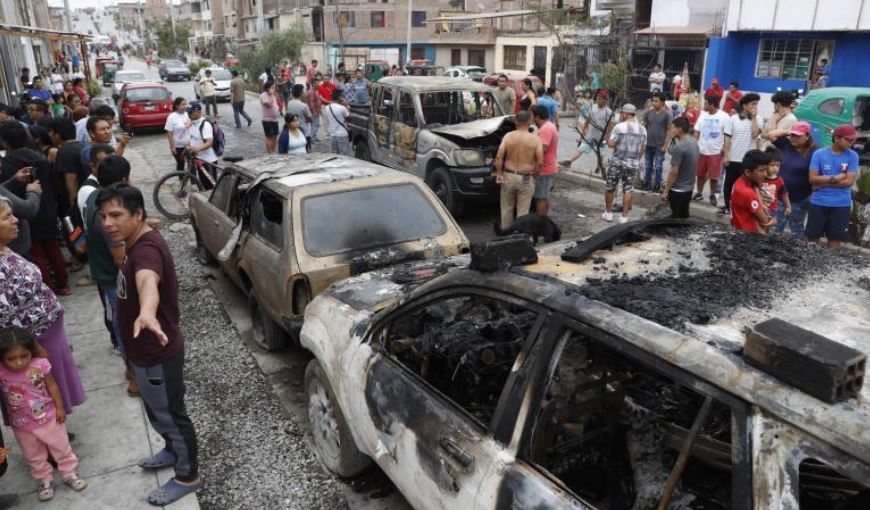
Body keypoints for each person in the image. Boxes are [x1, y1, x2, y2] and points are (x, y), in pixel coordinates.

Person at [96, 184, 201, 505]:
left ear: (137, 214)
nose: (107, 223)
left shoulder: (145, 250)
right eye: (103, 216)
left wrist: (146, 311)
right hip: (141, 352)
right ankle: (171, 450)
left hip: (157, 352)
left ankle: (187, 476)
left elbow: (147, 279)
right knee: (157, 410)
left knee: (171, 414)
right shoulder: (137, 238)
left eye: (116, 215)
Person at [0, 197, 87, 421]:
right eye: (7, 216)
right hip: (35, 341)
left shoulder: (5, 249)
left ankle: (55, 434)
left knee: (53, 387)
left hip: (47, 333)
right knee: (40, 394)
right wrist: (34, 348)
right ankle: (50, 442)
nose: (16, 220)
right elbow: (6, 317)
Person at [0, 328, 88, 502]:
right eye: (11, 358)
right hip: (22, 424)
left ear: (30, 352)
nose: (18, 363)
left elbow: (53, 385)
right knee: (33, 454)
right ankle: (44, 479)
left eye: (24, 356)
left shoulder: (39, 364)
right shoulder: (2, 371)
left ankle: (69, 472)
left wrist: (60, 408)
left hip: (49, 417)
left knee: (61, 446)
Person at [0, 122, 69, 294]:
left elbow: (7, 195)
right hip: (47, 209)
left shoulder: (8, 163)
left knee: (37, 253)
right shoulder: (39, 157)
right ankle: (63, 283)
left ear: (4, 142)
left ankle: (49, 288)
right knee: (52, 248)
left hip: (28, 212)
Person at [85, 156, 130, 359]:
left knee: (116, 316)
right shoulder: (109, 215)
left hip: (101, 271)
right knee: (123, 322)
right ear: (124, 179)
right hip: (113, 277)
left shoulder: (93, 196)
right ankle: (131, 369)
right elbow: (120, 258)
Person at [805, 124, 859, 250]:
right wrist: (836, 178)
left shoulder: (853, 156)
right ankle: (811, 265)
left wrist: (822, 182)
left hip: (841, 204)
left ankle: (828, 268)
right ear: (836, 138)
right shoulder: (819, 154)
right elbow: (812, 178)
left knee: (835, 240)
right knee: (812, 239)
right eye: (848, 139)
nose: (851, 142)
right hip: (818, 202)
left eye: (853, 140)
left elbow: (848, 182)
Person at [494, 111, 543, 229]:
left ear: (516, 121)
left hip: (508, 175)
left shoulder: (508, 136)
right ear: (530, 122)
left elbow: (499, 157)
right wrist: (535, 174)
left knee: (506, 209)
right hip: (526, 177)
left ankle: (506, 235)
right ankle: (520, 237)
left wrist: (499, 173)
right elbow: (540, 162)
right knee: (523, 211)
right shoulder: (535, 139)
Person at [721, 93, 763, 216]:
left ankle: (744, 209)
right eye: (752, 104)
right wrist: (726, 155)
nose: (755, 106)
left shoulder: (758, 119)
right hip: (733, 157)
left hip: (749, 160)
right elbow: (727, 139)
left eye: (756, 104)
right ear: (744, 105)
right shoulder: (732, 119)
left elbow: (755, 135)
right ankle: (727, 206)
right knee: (729, 184)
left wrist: (754, 118)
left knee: (748, 186)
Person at [603, 104, 646, 223]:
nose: (622, 115)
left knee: (611, 187)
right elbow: (643, 148)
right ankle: (624, 217)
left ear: (627, 113)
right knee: (628, 189)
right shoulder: (643, 129)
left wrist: (609, 139)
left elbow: (611, 144)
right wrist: (636, 159)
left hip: (617, 162)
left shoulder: (619, 127)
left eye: (622, 113)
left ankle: (608, 213)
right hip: (632, 164)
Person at [771, 121, 816, 236]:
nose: (793, 138)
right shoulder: (786, 144)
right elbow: (770, 135)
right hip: (780, 197)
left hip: (800, 199)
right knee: (774, 229)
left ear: (807, 136)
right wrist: (788, 131)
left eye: (798, 136)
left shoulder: (814, 152)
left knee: (797, 232)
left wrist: (812, 193)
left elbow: (816, 174)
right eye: (792, 135)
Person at [692, 95, 730, 206]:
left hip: (715, 152)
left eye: (706, 104)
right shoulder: (702, 115)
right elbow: (696, 131)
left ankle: (712, 195)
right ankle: (699, 193)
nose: (704, 106)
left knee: (714, 176)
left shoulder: (724, 116)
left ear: (712, 105)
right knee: (700, 174)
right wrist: (694, 145)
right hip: (701, 150)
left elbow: (727, 134)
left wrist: (724, 148)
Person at [561, 90, 612, 168]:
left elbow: (610, 126)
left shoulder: (608, 112)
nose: (598, 100)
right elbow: (588, 121)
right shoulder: (593, 108)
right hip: (591, 135)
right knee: (581, 148)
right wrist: (583, 133)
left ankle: (598, 168)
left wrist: (608, 136)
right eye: (597, 98)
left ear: (605, 100)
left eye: (600, 99)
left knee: (600, 154)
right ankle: (569, 161)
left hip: (601, 137)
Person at [660, 117, 699, 218]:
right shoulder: (694, 142)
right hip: (689, 189)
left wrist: (666, 191)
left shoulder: (680, 147)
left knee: (674, 220)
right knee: (684, 218)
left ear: (680, 129)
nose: (671, 131)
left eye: (673, 128)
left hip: (677, 190)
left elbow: (674, 172)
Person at [731, 149, 775, 233]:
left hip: (737, 230)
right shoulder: (748, 192)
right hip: (750, 237)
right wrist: (774, 220)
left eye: (765, 170)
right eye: (761, 170)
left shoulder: (739, 181)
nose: (765, 174)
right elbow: (765, 221)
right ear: (747, 172)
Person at [641, 92, 672, 192]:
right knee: (648, 165)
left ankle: (657, 184)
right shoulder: (649, 113)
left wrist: (665, 145)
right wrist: (643, 142)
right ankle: (647, 183)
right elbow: (644, 126)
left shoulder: (667, 115)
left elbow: (669, 131)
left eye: (656, 101)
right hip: (648, 143)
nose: (654, 103)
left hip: (659, 145)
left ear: (662, 102)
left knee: (658, 166)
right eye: (653, 100)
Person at [532, 105, 559, 217]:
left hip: (545, 169)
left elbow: (543, 148)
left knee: (540, 198)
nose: (533, 119)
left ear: (538, 117)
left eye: (534, 117)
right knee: (544, 197)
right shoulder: (550, 126)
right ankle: (544, 222)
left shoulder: (545, 129)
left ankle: (540, 224)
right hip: (549, 167)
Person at [757, 147, 790, 232]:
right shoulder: (759, 177)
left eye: (778, 165)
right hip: (759, 207)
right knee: (757, 226)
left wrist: (788, 207)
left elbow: (784, 194)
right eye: (772, 165)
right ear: (765, 165)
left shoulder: (779, 180)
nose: (775, 168)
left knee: (767, 227)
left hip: (771, 209)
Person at [186, 101, 219, 184]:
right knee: (204, 184)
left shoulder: (205, 124)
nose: (188, 115)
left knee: (211, 186)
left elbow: (209, 143)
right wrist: (188, 147)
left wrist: (196, 149)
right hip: (200, 159)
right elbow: (192, 138)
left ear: (197, 112)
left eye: (190, 112)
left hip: (208, 161)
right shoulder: (193, 123)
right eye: (188, 112)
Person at [165, 97, 191, 172]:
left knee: (191, 164)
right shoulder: (171, 117)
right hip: (178, 146)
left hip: (189, 144)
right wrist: (172, 147)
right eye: (182, 105)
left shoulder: (187, 114)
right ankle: (182, 181)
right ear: (177, 106)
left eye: (185, 104)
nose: (185, 106)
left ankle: (193, 182)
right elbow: (169, 133)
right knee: (180, 164)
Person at [323, 90, 350, 156]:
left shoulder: (327, 108)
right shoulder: (342, 108)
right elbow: (349, 119)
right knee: (344, 156)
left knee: (334, 156)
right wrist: (346, 105)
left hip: (332, 135)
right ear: (339, 97)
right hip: (342, 134)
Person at [285, 84, 313, 148]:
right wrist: (307, 120)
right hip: (304, 131)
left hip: (292, 130)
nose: (305, 93)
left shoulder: (289, 103)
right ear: (301, 93)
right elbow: (310, 119)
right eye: (304, 91)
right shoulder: (304, 106)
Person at [260, 82, 281, 154]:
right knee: (269, 136)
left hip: (274, 119)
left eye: (274, 87)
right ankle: (270, 153)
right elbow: (269, 104)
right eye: (272, 87)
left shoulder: (274, 95)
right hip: (267, 120)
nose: (273, 89)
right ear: (267, 88)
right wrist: (272, 95)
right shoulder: (263, 95)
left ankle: (273, 151)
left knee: (275, 136)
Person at [306, 75, 323, 141]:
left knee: (316, 125)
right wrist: (314, 112)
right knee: (314, 125)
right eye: (317, 83)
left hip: (317, 111)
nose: (318, 84)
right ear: (313, 84)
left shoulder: (316, 90)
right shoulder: (311, 91)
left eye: (318, 82)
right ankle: (312, 138)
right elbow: (311, 102)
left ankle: (314, 137)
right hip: (314, 111)